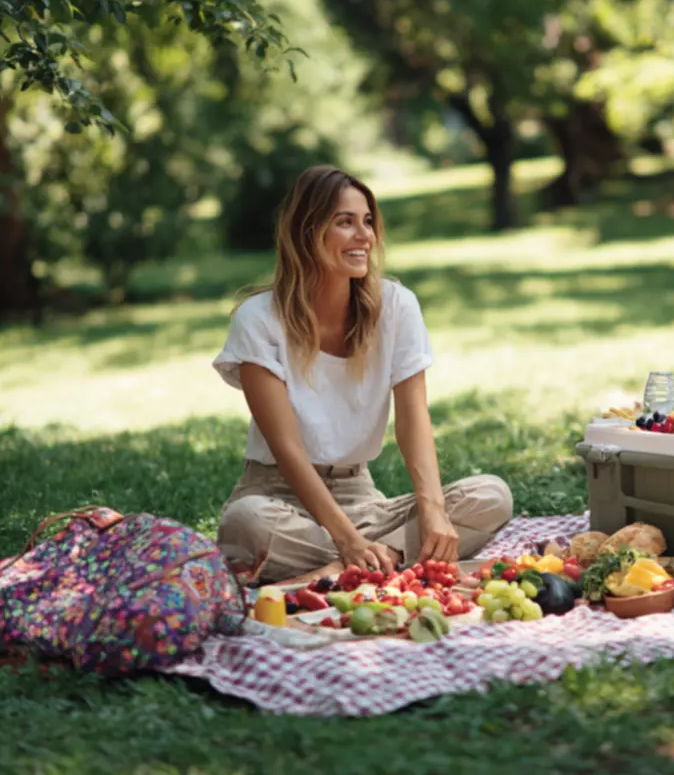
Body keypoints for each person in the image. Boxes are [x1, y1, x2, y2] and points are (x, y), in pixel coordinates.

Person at [211, 164, 514, 582]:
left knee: (491, 496)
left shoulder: (397, 306)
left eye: (368, 222)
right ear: (306, 232)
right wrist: (345, 538)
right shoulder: (258, 320)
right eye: (345, 223)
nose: (364, 236)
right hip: (278, 498)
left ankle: (355, 566)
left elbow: (413, 419)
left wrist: (433, 510)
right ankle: (373, 559)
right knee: (247, 524)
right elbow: (287, 449)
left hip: (363, 500)